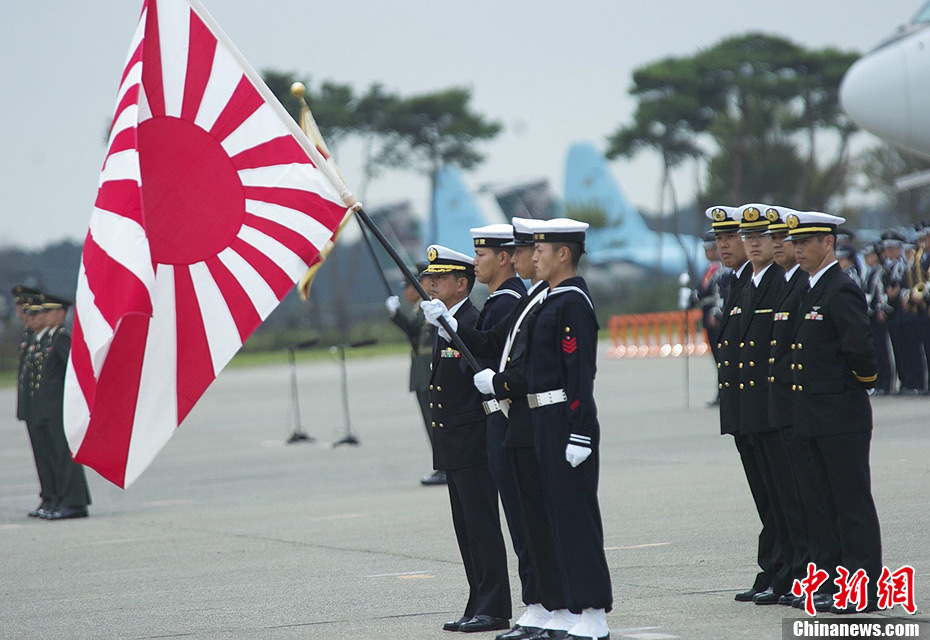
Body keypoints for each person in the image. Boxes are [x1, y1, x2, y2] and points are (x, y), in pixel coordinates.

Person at [425, 218, 568, 640]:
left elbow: (490, 353)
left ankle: (514, 605)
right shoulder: (501, 301)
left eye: (481, 255)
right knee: (482, 526)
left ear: (504, 258)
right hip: (473, 433)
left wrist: (452, 329)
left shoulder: (507, 302)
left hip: (495, 426)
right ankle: (494, 603)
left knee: (506, 524)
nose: (475, 262)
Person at [787, 210, 883, 614]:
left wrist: (854, 386)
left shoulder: (839, 288)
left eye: (806, 243)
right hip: (812, 415)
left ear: (828, 243)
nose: (798, 250)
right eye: (795, 243)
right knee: (823, 505)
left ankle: (863, 589)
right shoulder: (809, 289)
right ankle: (836, 581)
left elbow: (859, 348)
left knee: (851, 504)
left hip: (840, 415)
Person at [525, 218, 611, 640]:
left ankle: (594, 612)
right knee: (557, 518)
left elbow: (578, 373)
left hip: (565, 419)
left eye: (542, 249)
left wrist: (579, 431)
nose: (534, 255)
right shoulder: (550, 298)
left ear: (564, 254)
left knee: (576, 519)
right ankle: (574, 609)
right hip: (544, 419)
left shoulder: (572, 301)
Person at [420, 245, 511, 633]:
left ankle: (494, 608)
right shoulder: (446, 324)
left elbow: (483, 368)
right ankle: (477, 601)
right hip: (455, 445)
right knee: (467, 530)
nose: (431, 284)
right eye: (429, 278)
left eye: (440, 279)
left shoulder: (468, 322)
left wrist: (453, 329)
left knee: (482, 527)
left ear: (462, 284)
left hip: (474, 441)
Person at [706, 204, 777, 603]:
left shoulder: (767, 281)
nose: (729, 246)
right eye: (722, 240)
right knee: (766, 498)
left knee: (781, 497)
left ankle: (783, 572)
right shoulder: (737, 283)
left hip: (766, 410)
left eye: (733, 238)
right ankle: (772, 569)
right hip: (744, 412)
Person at [22, 293, 92, 519]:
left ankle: (74, 502)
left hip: (57, 409)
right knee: (50, 456)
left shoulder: (61, 339)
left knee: (63, 456)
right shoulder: (43, 339)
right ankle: (57, 498)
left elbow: (74, 372)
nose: (39, 316)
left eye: (45, 311)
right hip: (43, 410)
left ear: (60, 313)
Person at [385, 263, 446, 485]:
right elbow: (414, 334)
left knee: (435, 421)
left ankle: (445, 466)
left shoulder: (428, 307)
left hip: (428, 372)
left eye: (410, 285)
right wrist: (396, 315)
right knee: (430, 422)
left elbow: (417, 332)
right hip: (421, 373)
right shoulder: (420, 308)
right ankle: (442, 465)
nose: (406, 290)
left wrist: (397, 315)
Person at [694, 231, 727, 406]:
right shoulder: (711, 268)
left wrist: (717, 310)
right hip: (707, 316)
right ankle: (721, 391)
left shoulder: (721, 268)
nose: (708, 253)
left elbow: (718, 293)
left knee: (722, 356)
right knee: (716, 355)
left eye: (711, 249)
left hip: (717, 317)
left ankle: (724, 392)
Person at [862, 244, 894, 395]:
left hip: (876, 314)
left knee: (882, 350)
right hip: (870, 315)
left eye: (869, 255)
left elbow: (880, 292)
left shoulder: (880, 271)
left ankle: (886, 383)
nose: (866, 258)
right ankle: (880, 382)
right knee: (875, 351)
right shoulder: (869, 272)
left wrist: (880, 308)